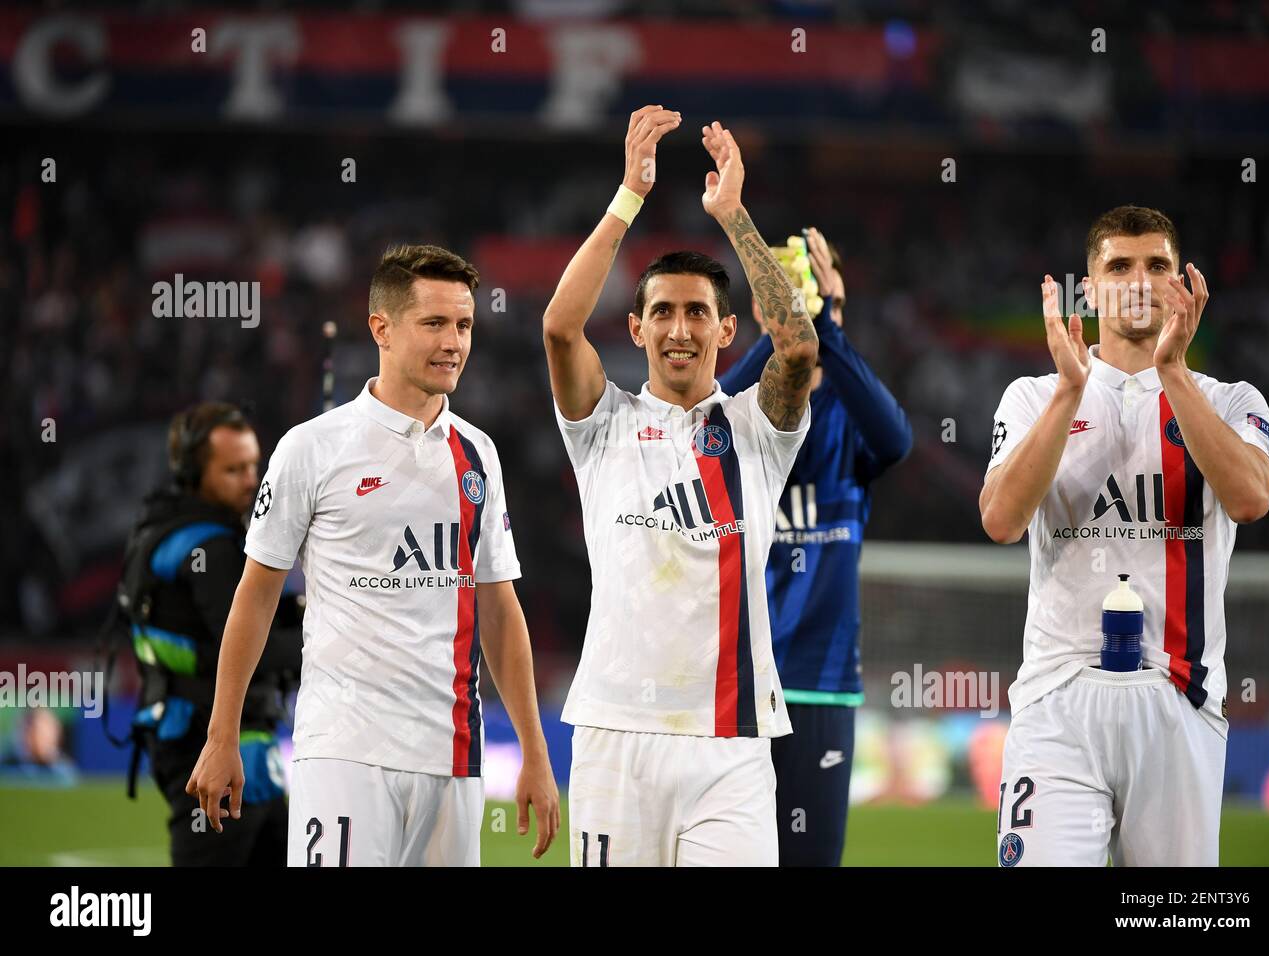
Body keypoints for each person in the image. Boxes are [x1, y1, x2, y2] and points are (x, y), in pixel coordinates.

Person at [187, 244, 560, 866]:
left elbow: (498, 608)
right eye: (435, 323)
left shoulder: (479, 455)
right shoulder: (311, 449)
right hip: (345, 751)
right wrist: (221, 734)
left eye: (464, 325)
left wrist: (535, 752)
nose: (454, 343)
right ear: (381, 329)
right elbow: (255, 593)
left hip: (454, 757)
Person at [543, 107, 818, 866]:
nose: (679, 328)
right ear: (635, 330)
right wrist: (628, 197)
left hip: (730, 740)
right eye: (661, 311)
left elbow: (797, 347)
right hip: (615, 732)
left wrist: (732, 214)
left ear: (727, 330)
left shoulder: (755, 433)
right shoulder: (603, 426)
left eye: (699, 312)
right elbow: (561, 329)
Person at [980, 205, 1269, 866]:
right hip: (1058, 700)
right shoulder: (1033, 396)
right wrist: (1068, 394)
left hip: (1181, 698)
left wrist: (1172, 371)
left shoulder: (1232, 401)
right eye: (1119, 266)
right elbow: (1000, 520)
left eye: (1157, 266)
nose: (1138, 280)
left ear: (1183, 284)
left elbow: (1252, 498)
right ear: (1090, 288)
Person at [717, 228, 911, 865]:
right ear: (758, 311)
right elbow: (707, 418)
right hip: (735, 682)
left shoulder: (849, 422)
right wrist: (786, 330)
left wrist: (825, 327)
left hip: (819, 684)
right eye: (778, 299)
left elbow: (899, 440)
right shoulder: (741, 423)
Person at [118, 402, 301, 866]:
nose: (249, 480)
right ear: (193, 471)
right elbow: (247, 647)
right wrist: (325, 635)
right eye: (233, 469)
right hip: (213, 742)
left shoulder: (163, 528)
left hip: (181, 731)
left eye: (253, 466)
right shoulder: (213, 547)